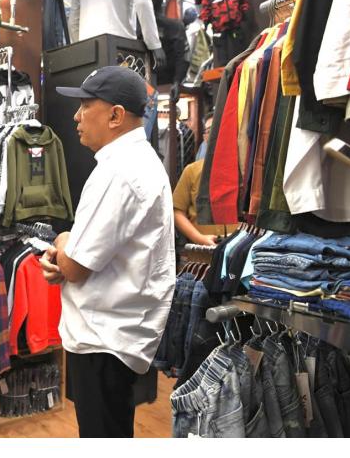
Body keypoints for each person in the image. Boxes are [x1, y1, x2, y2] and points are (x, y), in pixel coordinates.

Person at [40, 66, 176, 438]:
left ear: (115, 115)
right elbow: (94, 257)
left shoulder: (119, 172)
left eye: (86, 105)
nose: (76, 116)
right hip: (114, 332)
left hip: (105, 337)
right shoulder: (135, 163)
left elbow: (76, 266)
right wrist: (67, 259)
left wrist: (63, 241)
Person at [173, 113, 239, 246]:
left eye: (220, 128)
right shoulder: (191, 171)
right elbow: (177, 211)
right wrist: (199, 238)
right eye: (210, 130)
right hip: (200, 250)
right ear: (205, 137)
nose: (216, 134)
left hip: (238, 248)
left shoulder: (243, 170)